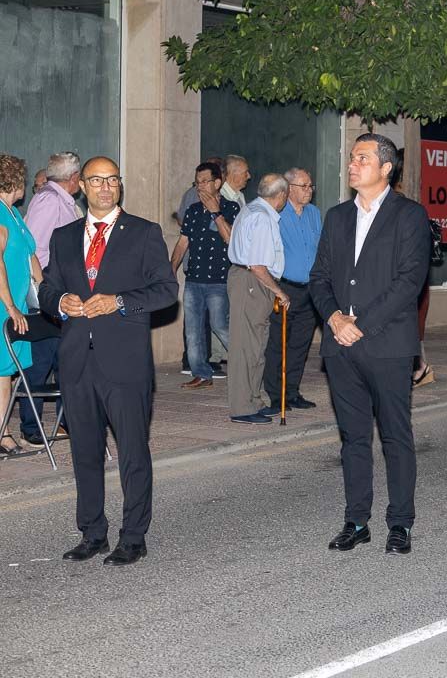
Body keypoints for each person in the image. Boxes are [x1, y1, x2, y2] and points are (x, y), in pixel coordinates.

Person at [41, 157, 178, 565]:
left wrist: (118, 302)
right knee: (84, 451)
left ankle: (133, 536)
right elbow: (47, 289)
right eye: (97, 180)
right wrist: (61, 302)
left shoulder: (143, 233)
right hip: (77, 361)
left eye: (113, 179)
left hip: (125, 363)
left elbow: (166, 291)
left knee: (133, 451)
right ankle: (92, 532)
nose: (105, 187)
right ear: (81, 185)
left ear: (120, 185)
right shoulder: (63, 237)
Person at [310, 134, 431, 555]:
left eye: (361, 157)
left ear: (385, 168)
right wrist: (333, 318)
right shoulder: (337, 216)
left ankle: (400, 523)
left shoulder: (410, 216)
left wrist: (361, 323)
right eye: (350, 157)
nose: (351, 164)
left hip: (388, 344)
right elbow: (319, 277)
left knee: (396, 436)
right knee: (353, 437)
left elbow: (409, 282)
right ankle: (356, 520)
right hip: (340, 345)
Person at [18, 150, 81, 446]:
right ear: (74, 178)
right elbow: (34, 248)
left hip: (63, 295)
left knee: (65, 360)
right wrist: (47, 290)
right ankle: (31, 427)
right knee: (42, 362)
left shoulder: (61, 201)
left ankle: (64, 423)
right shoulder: (49, 201)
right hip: (50, 295)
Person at [226, 175, 291, 424]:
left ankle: (254, 399)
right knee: (246, 347)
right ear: (282, 195)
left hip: (249, 281)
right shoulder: (262, 218)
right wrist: (280, 292)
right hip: (251, 282)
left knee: (255, 345)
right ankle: (242, 407)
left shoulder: (251, 209)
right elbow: (258, 265)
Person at [171, 162, 238, 389]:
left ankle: (247, 363)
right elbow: (182, 243)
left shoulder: (232, 208)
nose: (200, 187)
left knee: (220, 326)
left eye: (204, 182)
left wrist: (216, 213)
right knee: (193, 329)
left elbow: (231, 239)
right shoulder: (192, 210)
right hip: (193, 280)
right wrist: (170, 270)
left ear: (217, 183)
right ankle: (201, 373)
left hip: (219, 281)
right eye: (197, 182)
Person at [263, 168, 321, 412]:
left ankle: (292, 391)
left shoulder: (314, 214)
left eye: (310, 186)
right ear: (288, 189)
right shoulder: (277, 213)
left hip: (311, 288)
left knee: (300, 344)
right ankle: (277, 395)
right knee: (278, 343)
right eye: (303, 186)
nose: (309, 191)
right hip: (284, 287)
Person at [0, 155, 40, 456]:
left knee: (7, 373)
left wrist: (47, 292)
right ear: (14, 180)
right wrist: (11, 306)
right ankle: (3, 434)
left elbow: (29, 256)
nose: (25, 185)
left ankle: (2, 431)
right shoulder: (1, 215)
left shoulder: (14, 212)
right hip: (4, 305)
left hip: (19, 305)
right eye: (22, 179)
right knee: (2, 373)